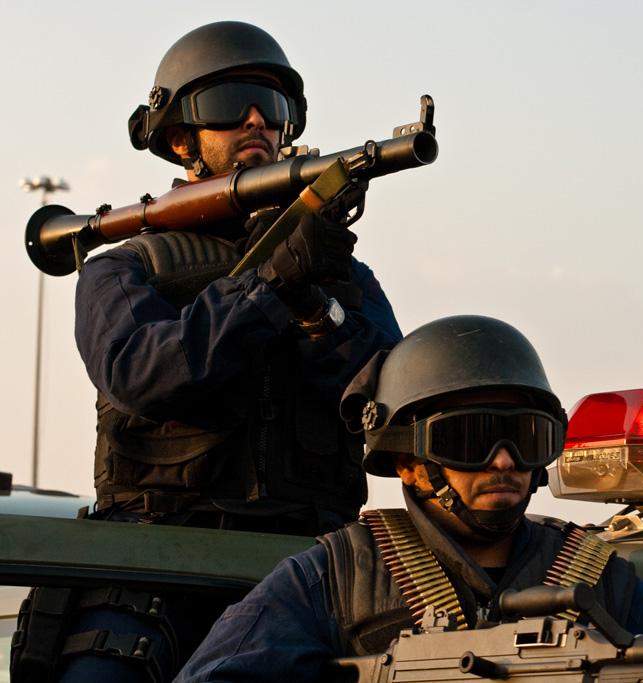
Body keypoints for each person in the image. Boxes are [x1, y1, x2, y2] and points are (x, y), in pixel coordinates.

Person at [11, 21, 400, 683]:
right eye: (232, 102)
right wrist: (270, 284)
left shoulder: (341, 274)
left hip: (307, 570)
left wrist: (317, 300)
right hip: (155, 563)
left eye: (272, 107)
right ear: (179, 136)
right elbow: (144, 370)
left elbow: (388, 407)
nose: (256, 119)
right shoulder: (125, 267)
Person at [174, 315, 643, 682]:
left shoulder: (601, 577)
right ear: (407, 462)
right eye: (468, 440)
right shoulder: (336, 578)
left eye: (525, 438)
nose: (504, 462)